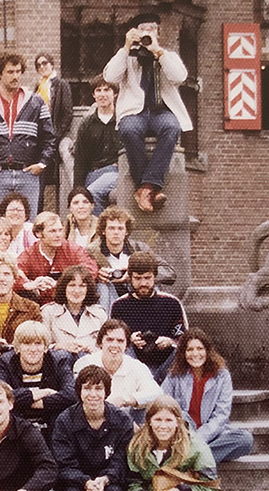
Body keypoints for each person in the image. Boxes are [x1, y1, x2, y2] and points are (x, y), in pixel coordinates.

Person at [103, 13, 191, 212]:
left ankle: (144, 188)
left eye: (152, 29)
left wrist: (158, 52)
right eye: (144, 29)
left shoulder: (167, 56)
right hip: (135, 112)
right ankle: (152, 188)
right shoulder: (128, 56)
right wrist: (126, 48)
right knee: (128, 129)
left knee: (172, 127)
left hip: (161, 111)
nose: (148, 33)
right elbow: (110, 76)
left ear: (158, 33)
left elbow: (180, 77)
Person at [0, 50, 55, 218]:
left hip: (28, 174)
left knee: (28, 224)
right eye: (10, 72)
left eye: (18, 71)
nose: (16, 76)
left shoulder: (36, 102)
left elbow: (49, 138)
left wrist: (42, 164)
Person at [120, 395, 220, 491]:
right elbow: (132, 483)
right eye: (158, 420)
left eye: (168, 420)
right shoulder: (137, 447)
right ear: (149, 422)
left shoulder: (196, 447)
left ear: (178, 422)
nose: (163, 426)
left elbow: (211, 490)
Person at [52, 365, 132, 491]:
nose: (93, 394)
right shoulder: (65, 421)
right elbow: (63, 465)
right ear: (79, 391)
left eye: (98, 388)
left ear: (106, 392)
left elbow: (121, 462)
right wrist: (86, 482)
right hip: (76, 484)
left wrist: (104, 480)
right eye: (87, 388)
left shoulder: (122, 420)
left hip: (109, 483)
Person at [161, 329, 254, 463]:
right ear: (183, 353)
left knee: (245, 440)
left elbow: (221, 415)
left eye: (200, 348)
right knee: (181, 417)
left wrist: (199, 438)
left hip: (211, 434)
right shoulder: (175, 375)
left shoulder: (222, 375)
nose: (195, 354)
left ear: (207, 351)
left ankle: (188, 460)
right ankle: (198, 460)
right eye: (189, 350)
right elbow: (163, 404)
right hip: (182, 434)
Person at [0, 321, 76, 442]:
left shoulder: (58, 361)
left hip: (51, 424)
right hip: (18, 426)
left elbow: (72, 394)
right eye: (27, 343)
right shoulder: (6, 363)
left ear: (46, 347)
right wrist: (41, 393)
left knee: (64, 417)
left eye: (38, 343)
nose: (33, 349)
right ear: (17, 347)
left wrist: (33, 402)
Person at [109, 252, 187, 382]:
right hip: (134, 366)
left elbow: (183, 338)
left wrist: (170, 341)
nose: (143, 283)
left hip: (166, 366)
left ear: (155, 277)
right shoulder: (119, 305)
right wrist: (129, 340)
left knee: (182, 351)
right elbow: (111, 340)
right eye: (138, 278)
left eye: (147, 278)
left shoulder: (171, 303)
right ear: (130, 277)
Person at [73, 319, 162, 424]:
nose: (114, 345)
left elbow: (157, 393)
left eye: (120, 341)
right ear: (100, 342)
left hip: (126, 423)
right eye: (109, 340)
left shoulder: (136, 366)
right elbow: (79, 397)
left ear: (127, 345)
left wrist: (126, 400)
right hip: (91, 422)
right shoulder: (85, 363)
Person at [89, 206, 176, 310]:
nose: (116, 232)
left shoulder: (140, 248)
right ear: (103, 231)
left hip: (137, 293)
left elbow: (170, 273)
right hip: (109, 295)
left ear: (126, 232)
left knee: (152, 285)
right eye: (111, 228)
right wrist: (96, 275)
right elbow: (80, 275)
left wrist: (135, 274)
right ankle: (107, 325)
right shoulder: (92, 252)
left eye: (120, 228)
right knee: (103, 288)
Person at [16, 212, 100, 305]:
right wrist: (30, 284)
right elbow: (13, 272)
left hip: (69, 303)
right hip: (39, 306)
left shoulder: (71, 248)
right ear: (38, 233)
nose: (58, 235)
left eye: (60, 230)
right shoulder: (29, 254)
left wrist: (62, 283)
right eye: (52, 231)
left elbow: (90, 269)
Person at [72, 76, 123, 216]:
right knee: (84, 198)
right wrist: (77, 191)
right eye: (98, 90)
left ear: (115, 93)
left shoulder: (123, 121)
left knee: (92, 194)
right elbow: (80, 161)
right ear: (94, 95)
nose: (102, 94)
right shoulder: (86, 125)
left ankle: (99, 231)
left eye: (107, 90)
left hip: (116, 172)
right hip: (93, 174)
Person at [34, 53, 73, 214]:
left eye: (45, 63)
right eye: (38, 65)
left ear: (52, 64)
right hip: (38, 137)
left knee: (55, 179)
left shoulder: (60, 84)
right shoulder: (38, 86)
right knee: (38, 178)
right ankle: (38, 213)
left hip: (53, 137)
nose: (42, 67)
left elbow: (67, 112)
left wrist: (55, 136)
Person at [41, 265, 107, 356]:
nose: (76, 291)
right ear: (64, 288)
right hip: (60, 363)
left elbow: (108, 346)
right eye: (72, 285)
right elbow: (41, 346)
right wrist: (59, 346)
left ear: (88, 289)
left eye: (82, 286)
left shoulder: (99, 314)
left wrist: (95, 350)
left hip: (91, 364)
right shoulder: (49, 312)